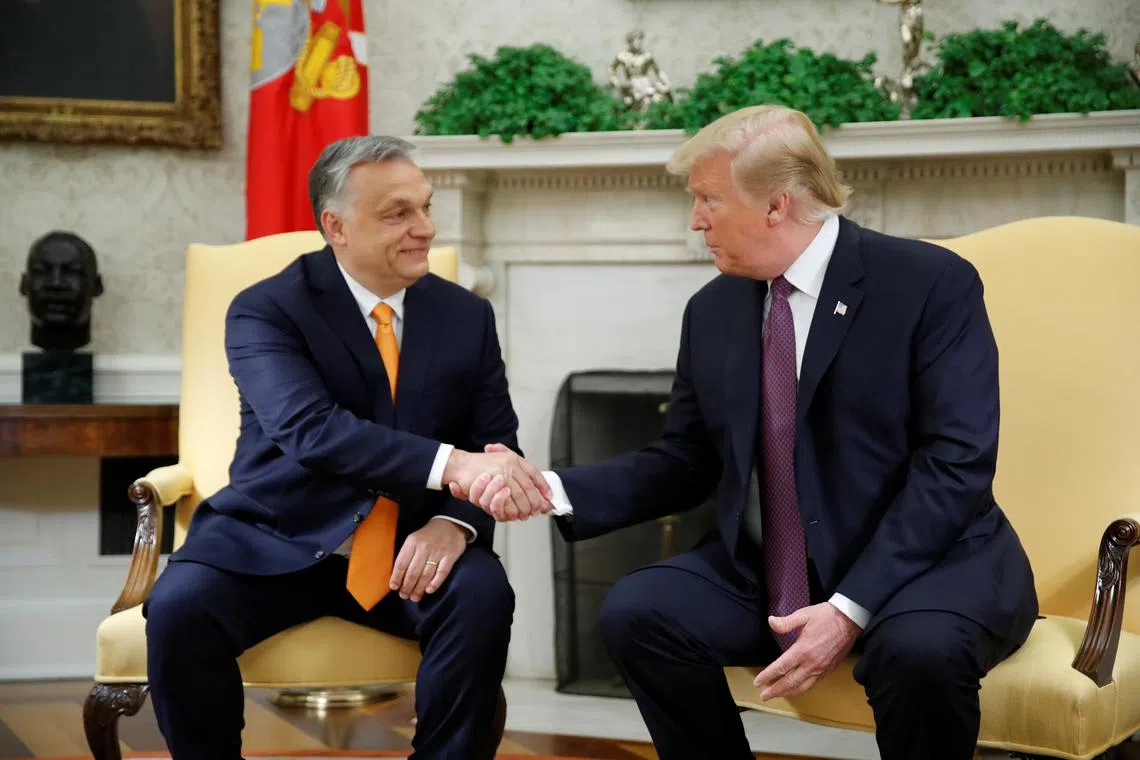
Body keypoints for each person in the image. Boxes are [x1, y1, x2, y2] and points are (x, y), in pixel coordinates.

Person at [458, 105, 1039, 760]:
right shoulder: (713, 309)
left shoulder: (928, 283)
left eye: (708, 199)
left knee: (920, 655)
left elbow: (955, 464)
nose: (695, 220)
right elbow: (686, 459)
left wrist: (848, 608)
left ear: (776, 205)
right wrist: (550, 488)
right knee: (639, 611)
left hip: (927, 568)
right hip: (774, 573)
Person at [143, 135, 552, 760]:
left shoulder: (467, 316)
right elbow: (311, 430)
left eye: (425, 206)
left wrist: (454, 522)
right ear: (335, 226)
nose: (425, 228)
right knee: (178, 609)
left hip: (410, 546)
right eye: (397, 213)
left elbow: (495, 444)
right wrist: (456, 466)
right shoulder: (266, 309)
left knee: (482, 595)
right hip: (275, 536)